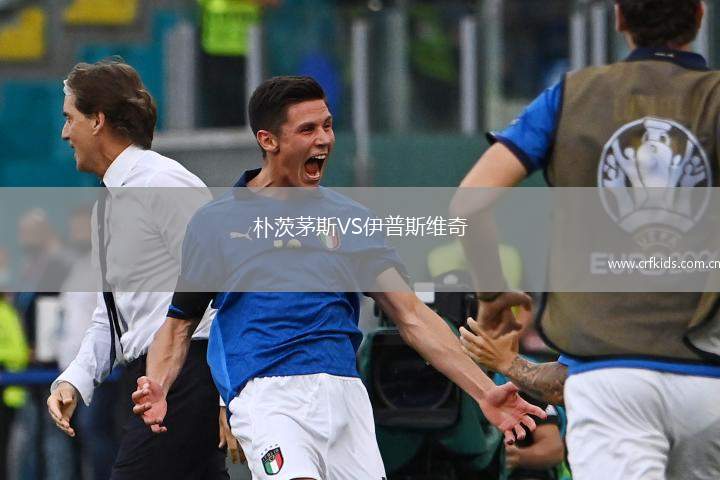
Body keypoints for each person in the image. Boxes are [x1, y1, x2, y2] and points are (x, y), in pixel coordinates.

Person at [131, 75, 546, 480]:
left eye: (327, 126)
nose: (324, 139)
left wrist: (484, 391)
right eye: (308, 129)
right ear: (268, 140)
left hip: (347, 397)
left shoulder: (351, 221)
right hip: (268, 396)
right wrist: (158, 384)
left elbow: (412, 315)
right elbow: (179, 324)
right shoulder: (216, 223)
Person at [454, 1, 720, 479]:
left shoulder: (571, 96)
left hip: (608, 378)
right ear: (700, 15)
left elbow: (470, 203)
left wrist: (492, 295)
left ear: (619, 17)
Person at [45, 58, 232, 479]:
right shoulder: (107, 205)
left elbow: (221, 285)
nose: (64, 133)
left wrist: (226, 395)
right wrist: (74, 380)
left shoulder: (163, 182)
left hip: (185, 375)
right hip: (150, 378)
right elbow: (110, 317)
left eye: (70, 118)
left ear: (97, 121)